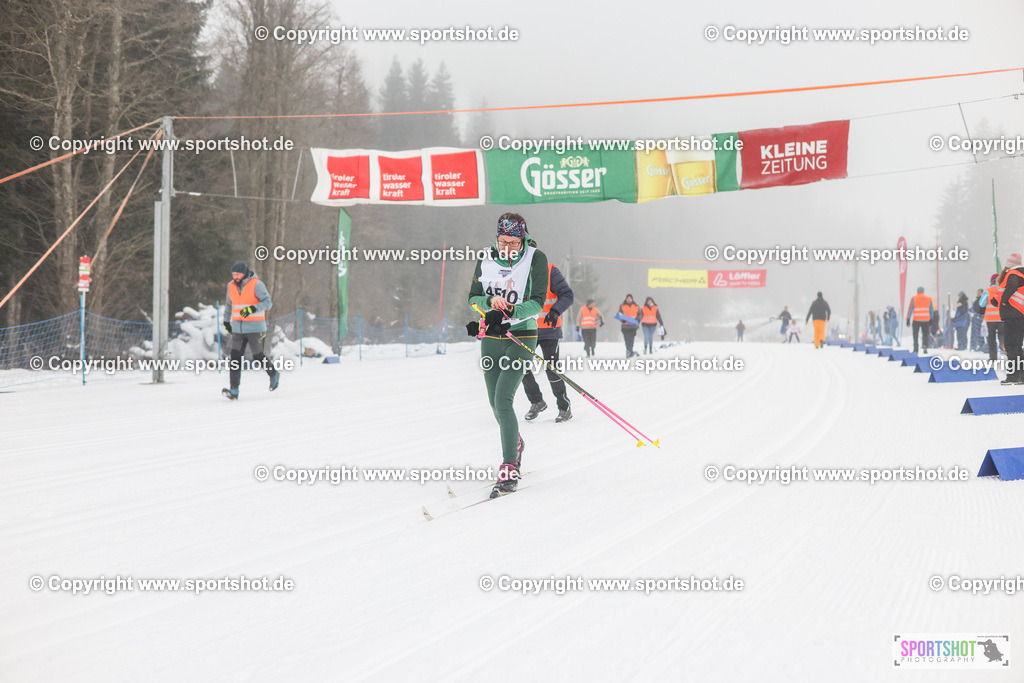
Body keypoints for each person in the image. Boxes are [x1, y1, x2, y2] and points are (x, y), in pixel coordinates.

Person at [468, 212, 548, 497]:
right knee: (494, 403)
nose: (508, 248)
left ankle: (509, 466)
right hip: (491, 337)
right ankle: (515, 441)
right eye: (503, 241)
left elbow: (538, 302)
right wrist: (489, 302)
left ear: (523, 237)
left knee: (503, 400)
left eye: (513, 242)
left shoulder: (536, 258)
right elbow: (473, 298)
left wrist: (512, 310)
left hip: (521, 336)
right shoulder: (486, 258)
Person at [522, 263, 574, 423]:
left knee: (552, 369)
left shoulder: (550, 270)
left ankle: (564, 408)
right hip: (526, 329)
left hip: (549, 329)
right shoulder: (516, 271)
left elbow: (567, 295)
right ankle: (537, 401)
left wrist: (555, 311)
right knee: (519, 367)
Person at [222, 261, 279, 399]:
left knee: (258, 356)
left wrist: (252, 309)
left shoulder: (256, 284)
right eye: (233, 274)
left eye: (238, 274)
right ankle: (234, 390)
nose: (235, 276)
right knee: (235, 359)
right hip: (237, 328)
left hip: (255, 328)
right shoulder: (231, 286)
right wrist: (226, 321)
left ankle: (273, 374)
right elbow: (229, 304)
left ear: (244, 273)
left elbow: (268, 303)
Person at [997, 253, 1024, 385]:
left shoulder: (1013, 273)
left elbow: (1012, 286)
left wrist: (1003, 300)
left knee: (1011, 346)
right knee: (1018, 346)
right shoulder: (1021, 274)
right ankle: (1021, 376)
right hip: (1019, 314)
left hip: (1012, 315)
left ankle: (1012, 377)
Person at [905, 286, 935, 354]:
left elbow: (910, 309)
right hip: (926, 320)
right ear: (923, 291)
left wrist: (908, 318)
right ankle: (925, 347)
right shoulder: (928, 298)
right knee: (925, 334)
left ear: (917, 291)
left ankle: (916, 348)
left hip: (916, 320)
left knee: (915, 334)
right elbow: (931, 309)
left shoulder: (914, 298)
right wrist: (931, 319)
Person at [984, 273, 1004, 361]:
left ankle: (993, 358)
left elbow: (982, 304)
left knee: (991, 338)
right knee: (1002, 337)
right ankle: (1008, 353)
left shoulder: (987, 291)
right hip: (1002, 319)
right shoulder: (1004, 290)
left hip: (990, 320)